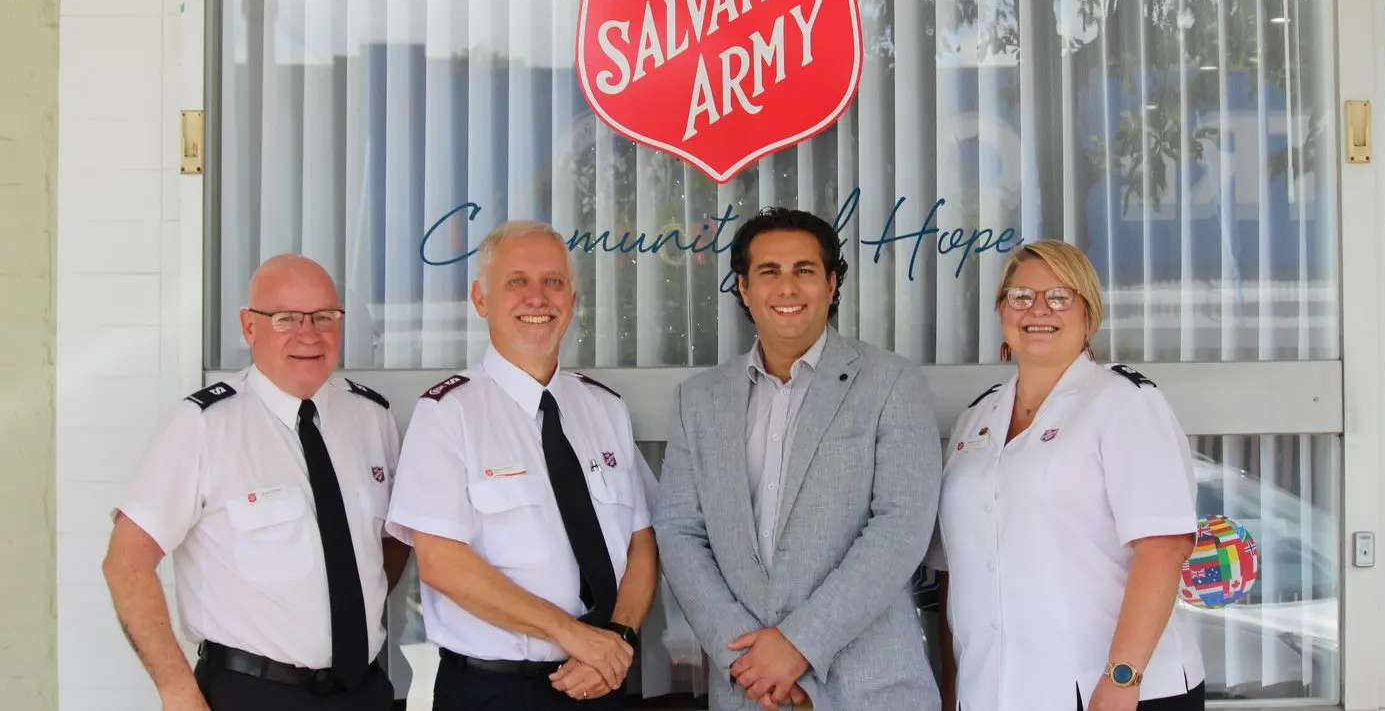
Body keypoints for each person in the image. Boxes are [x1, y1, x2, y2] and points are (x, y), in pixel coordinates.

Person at [655, 207, 943, 711]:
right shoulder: (698, 400)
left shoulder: (892, 383)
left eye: (804, 271)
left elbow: (902, 527)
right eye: (769, 272)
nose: (787, 288)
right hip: (749, 689)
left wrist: (799, 644)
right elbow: (680, 531)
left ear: (832, 284)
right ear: (743, 288)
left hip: (869, 688)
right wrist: (749, 658)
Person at [103, 254, 409, 711]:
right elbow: (126, 561)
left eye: (325, 317)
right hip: (250, 694)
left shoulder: (372, 418)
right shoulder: (202, 426)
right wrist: (177, 688)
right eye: (286, 318)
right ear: (250, 327)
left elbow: (391, 540)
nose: (309, 334)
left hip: (363, 692)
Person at [386, 220, 659, 710]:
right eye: (517, 282)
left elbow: (642, 540)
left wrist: (617, 640)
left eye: (553, 282)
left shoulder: (604, 408)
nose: (538, 297)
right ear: (481, 299)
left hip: (601, 681)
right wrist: (573, 635)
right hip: (495, 691)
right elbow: (441, 564)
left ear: (572, 300)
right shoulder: (448, 414)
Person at [932, 240, 1204, 711]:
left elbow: (1164, 547)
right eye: (1021, 297)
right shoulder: (975, 418)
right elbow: (955, 575)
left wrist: (1121, 678)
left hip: (1111, 691)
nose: (1039, 309)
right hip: (995, 692)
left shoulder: (1123, 401)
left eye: (1060, 296)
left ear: (1088, 314)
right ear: (1002, 313)